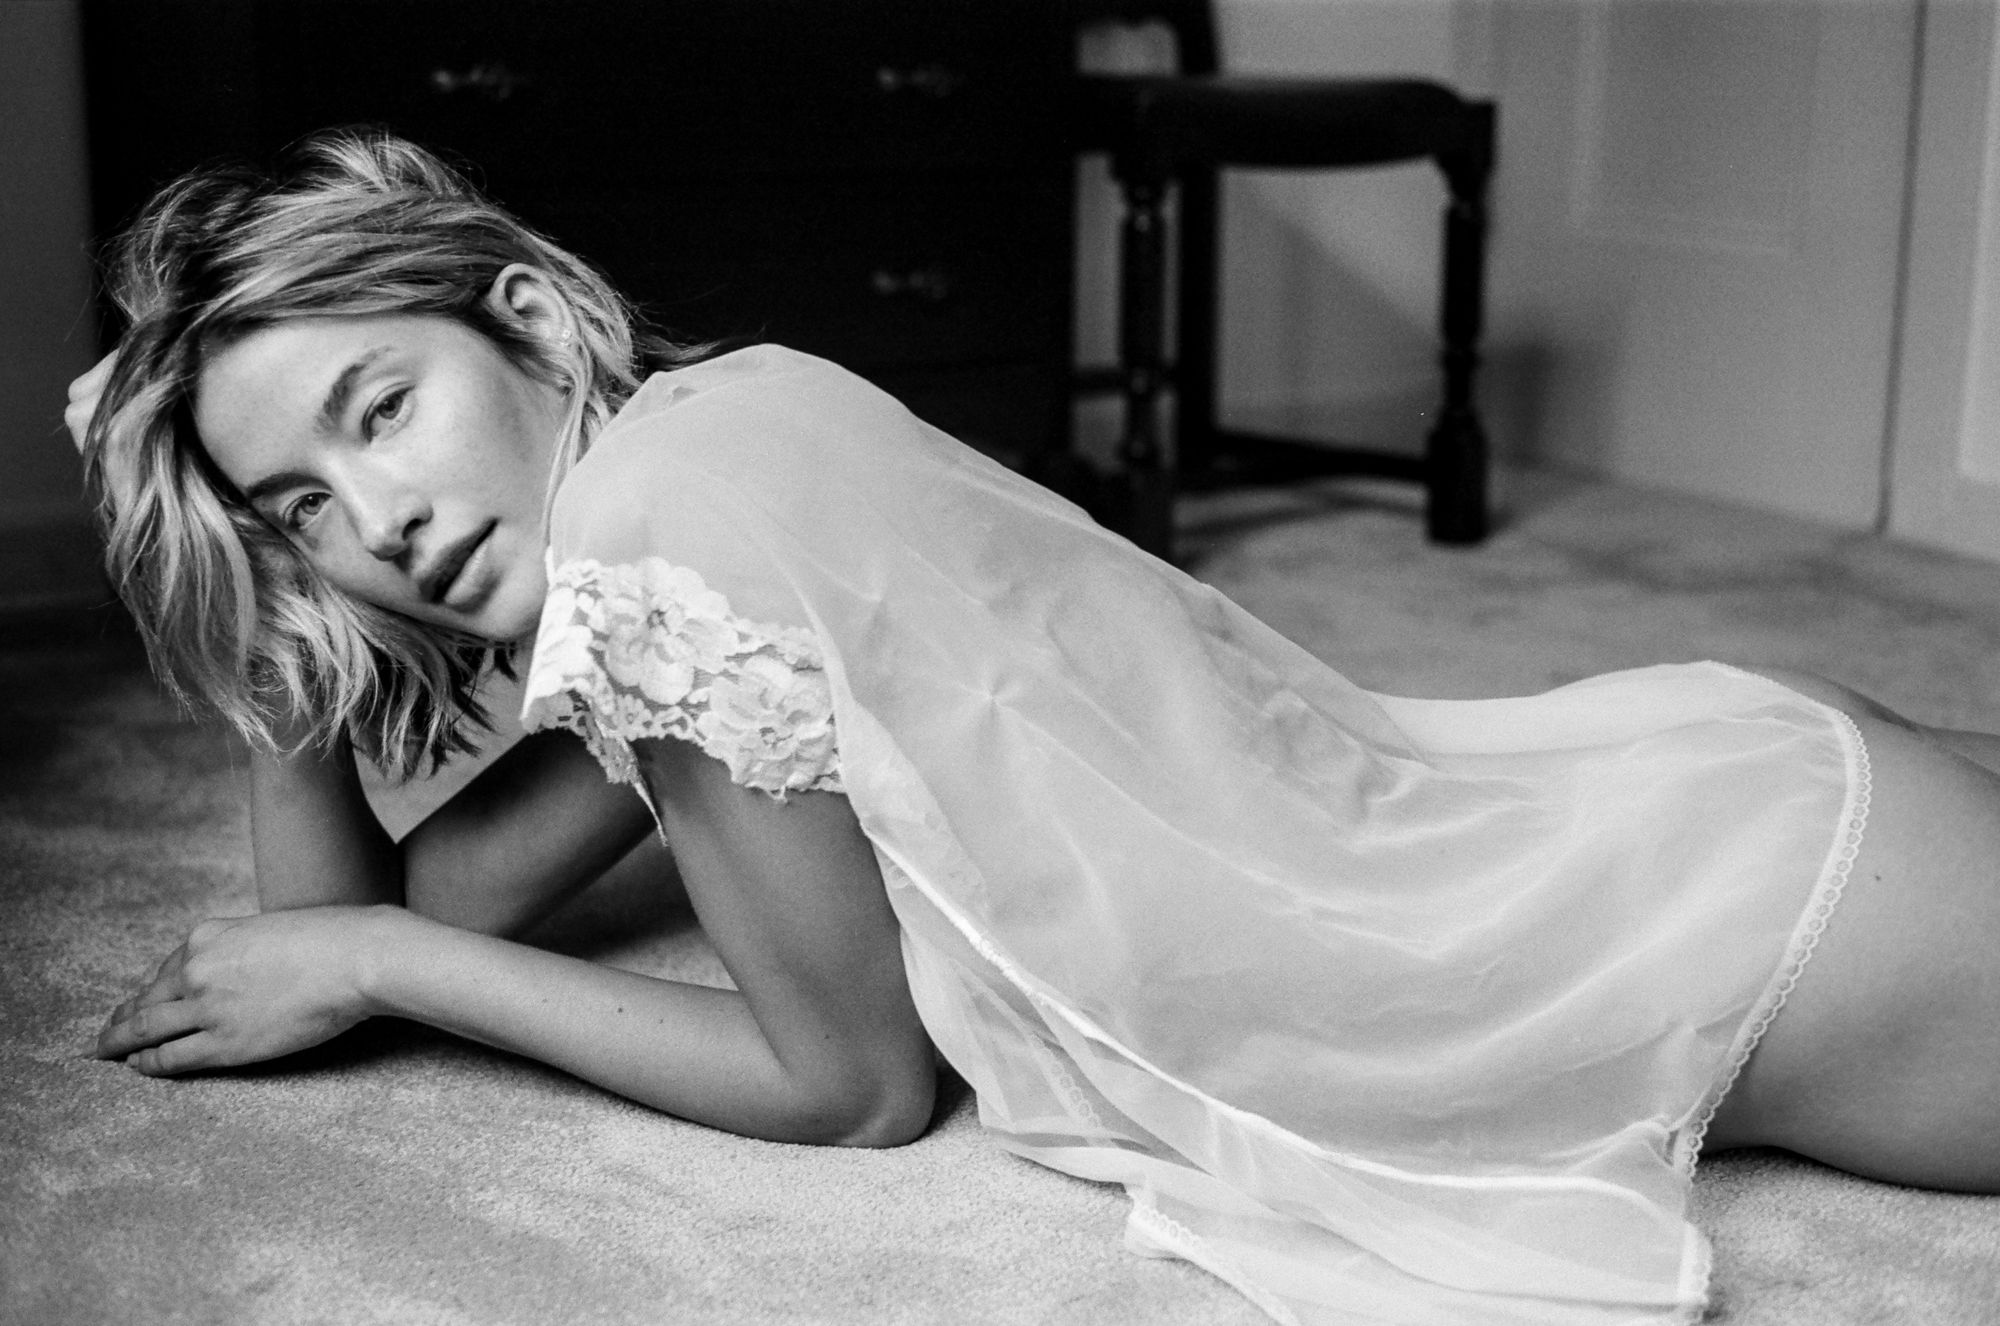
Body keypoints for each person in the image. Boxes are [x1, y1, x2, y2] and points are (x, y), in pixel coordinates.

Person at [65, 130, 2000, 1325]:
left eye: (382, 407)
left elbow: (847, 1085)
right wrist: (257, 631)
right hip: (1702, 809)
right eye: (299, 508)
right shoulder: (724, 428)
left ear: (527, 321)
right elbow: (431, 901)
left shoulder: (662, 536)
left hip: (1779, 947)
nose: (377, 518)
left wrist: (375, 960)